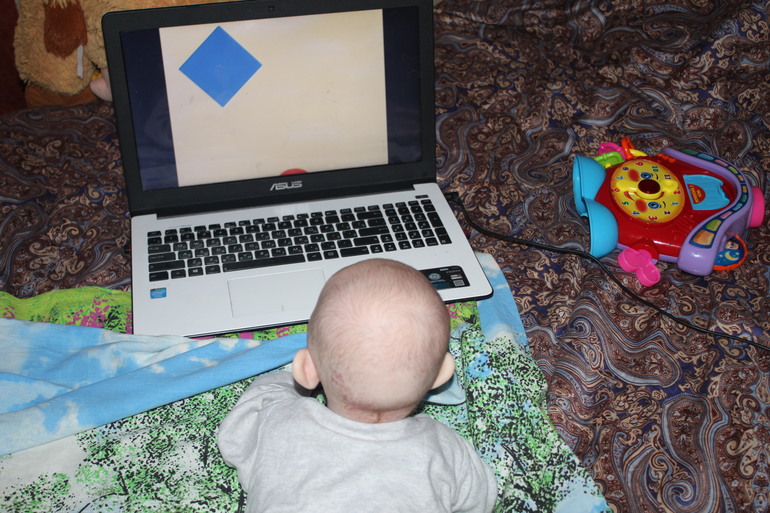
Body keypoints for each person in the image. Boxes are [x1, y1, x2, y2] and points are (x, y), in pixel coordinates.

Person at [217, 258, 498, 512]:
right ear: (442, 374)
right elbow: (480, 500)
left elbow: (234, 436)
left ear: (306, 370)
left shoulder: (277, 422)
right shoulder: (443, 448)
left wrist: (287, 383)